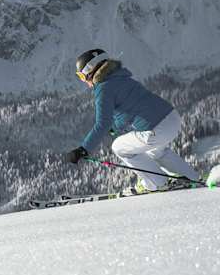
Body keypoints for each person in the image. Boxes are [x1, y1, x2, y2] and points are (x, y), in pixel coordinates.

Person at [62, 49, 199, 196]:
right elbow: (129, 110)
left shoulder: (103, 89)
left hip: (156, 129)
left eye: (81, 76)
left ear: (90, 71)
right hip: (172, 118)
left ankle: (156, 183)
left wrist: (83, 149)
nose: (83, 81)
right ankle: (192, 178)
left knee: (119, 147)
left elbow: (102, 123)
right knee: (156, 150)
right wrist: (115, 127)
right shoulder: (121, 77)